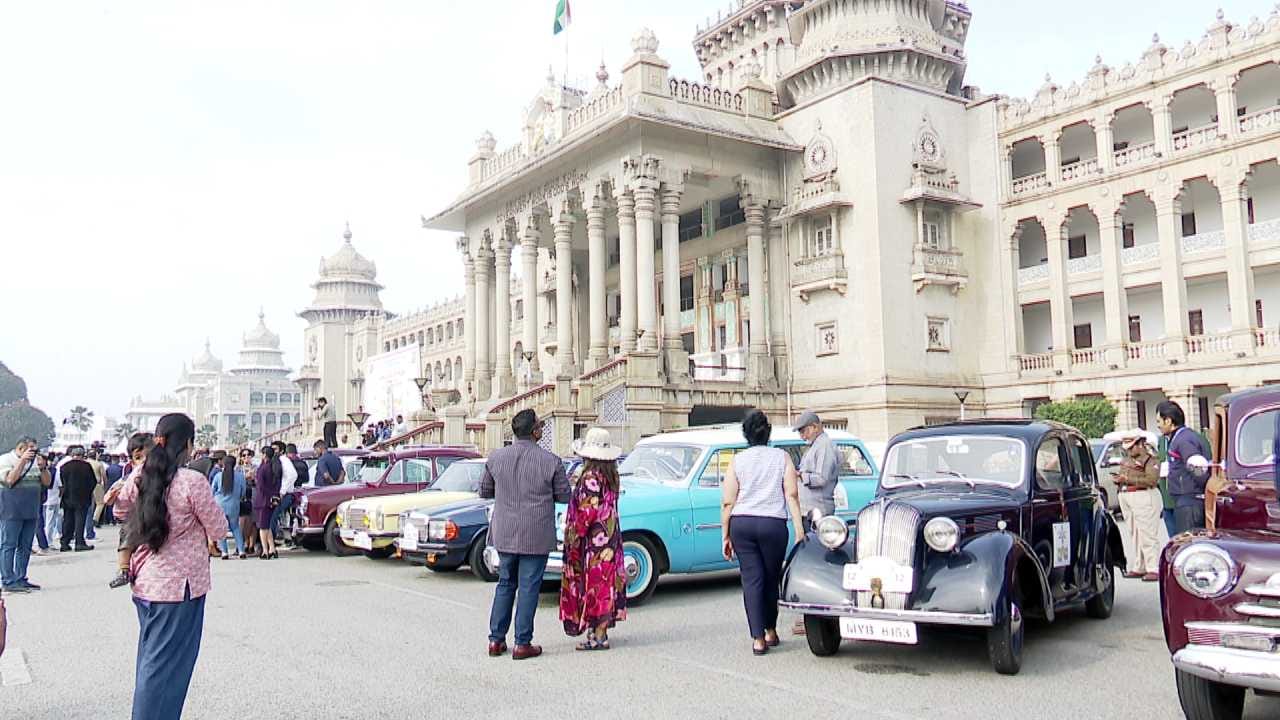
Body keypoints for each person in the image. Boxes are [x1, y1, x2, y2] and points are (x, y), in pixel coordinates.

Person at [113, 413, 229, 720]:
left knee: (151, 660)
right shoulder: (191, 482)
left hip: (147, 584)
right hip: (180, 589)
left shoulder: (140, 476)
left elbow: (120, 509)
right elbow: (218, 527)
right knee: (167, 669)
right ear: (188, 444)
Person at [480, 409, 570, 660]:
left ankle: (496, 640)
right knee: (529, 587)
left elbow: (484, 491)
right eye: (541, 425)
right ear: (535, 431)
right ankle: (522, 642)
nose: (542, 429)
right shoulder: (551, 461)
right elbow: (565, 495)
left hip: (505, 531)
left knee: (505, 584)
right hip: (536, 531)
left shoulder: (496, 458)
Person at [721, 410, 804, 656]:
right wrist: (799, 529)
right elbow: (791, 494)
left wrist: (725, 534)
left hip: (742, 523)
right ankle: (770, 629)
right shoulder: (782, 458)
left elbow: (728, 501)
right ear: (768, 433)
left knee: (751, 579)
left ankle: (757, 638)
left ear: (746, 434)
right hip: (773, 524)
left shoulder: (737, 460)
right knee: (770, 577)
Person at [560, 427, 627, 651]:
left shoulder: (590, 477)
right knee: (606, 585)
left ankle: (598, 637)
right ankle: (599, 632)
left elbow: (586, 513)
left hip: (594, 541)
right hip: (611, 537)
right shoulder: (612, 476)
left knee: (594, 586)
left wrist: (573, 536)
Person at [0, 437, 52, 593]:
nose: (34, 453)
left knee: (25, 546)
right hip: (11, 510)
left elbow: (47, 482)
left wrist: (43, 468)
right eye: (31, 449)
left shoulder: (36, 462)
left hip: (31, 510)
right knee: (8, 545)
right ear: (21, 448)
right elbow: (9, 480)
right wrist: (22, 462)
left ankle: (21, 577)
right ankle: (8, 580)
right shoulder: (5, 460)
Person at [106, 433, 155, 589]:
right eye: (139, 457)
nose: (144, 462)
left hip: (155, 518)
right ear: (132, 460)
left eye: (148, 457)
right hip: (134, 519)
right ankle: (124, 569)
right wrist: (112, 497)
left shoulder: (166, 476)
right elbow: (109, 498)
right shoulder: (127, 479)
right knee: (126, 535)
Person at [1114, 432, 1162, 581]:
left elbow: (1151, 480)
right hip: (1127, 495)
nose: (1129, 451)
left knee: (1147, 533)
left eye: (1131, 447)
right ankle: (1140, 565)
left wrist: (1127, 479)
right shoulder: (1127, 459)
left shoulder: (1150, 460)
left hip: (1143, 495)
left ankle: (1153, 567)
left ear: (1140, 444)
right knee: (1134, 533)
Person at [1158, 400, 1211, 534]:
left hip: (1190, 502)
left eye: (1159, 421)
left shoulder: (1184, 440)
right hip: (1184, 500)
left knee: (1190, 542)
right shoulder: (1179, 438)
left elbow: (1198, 468)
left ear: (1168, 421)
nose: (1158, 426)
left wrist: (1196, 492)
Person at [58, 446, 97, 552]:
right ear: (82, 455)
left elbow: (61, 481)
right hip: (82, 497)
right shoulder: (86, 466)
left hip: (67, 497)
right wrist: (88, 492)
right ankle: (79, 542)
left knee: (67, 520)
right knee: (80, 520)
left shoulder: (64, 466)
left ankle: (64, 543)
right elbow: (93, 481)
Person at [210, 455, 246, 559]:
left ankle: (224, 552)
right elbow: (243, 492)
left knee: (222, 529)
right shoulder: (240, 476)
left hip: (219, 504)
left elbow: (212, 490)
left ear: (224, 464)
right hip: (234, 504)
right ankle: (241, 550)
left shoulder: (218, 476)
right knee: (235, 527)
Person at [252, 446, 282, 559]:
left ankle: (265, 550)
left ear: (264, 455)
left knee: (262, 527)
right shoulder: (276, 467)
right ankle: (272, 548)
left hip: (262, 500)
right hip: (273, 500)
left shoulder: (262, 469)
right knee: (267, 525)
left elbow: (260, 486)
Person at [268, 441, 297, 542]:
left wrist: (282, 491)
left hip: (284, 494)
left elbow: (293, 475)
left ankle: (271, 542)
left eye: (275, 449)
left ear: (282, 450)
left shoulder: (283, 460)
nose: (273, 451)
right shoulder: (275, 461)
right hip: (278, 494)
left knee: (273, 517)